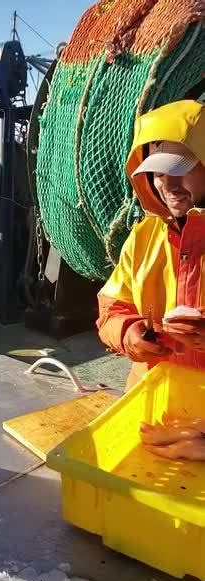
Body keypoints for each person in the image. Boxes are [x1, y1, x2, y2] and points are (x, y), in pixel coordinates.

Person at [97, 99, 205, 391]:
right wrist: (127, 333)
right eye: (158, 173)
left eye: (180, 168)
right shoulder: (143, 236)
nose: (168, 186)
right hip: (151, 397)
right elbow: (112, 306)